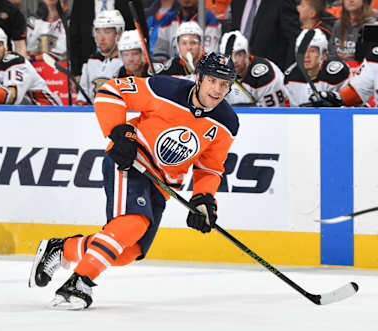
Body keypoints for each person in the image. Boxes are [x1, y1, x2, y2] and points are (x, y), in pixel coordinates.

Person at [28, 52, 239, 310]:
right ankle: (78, 282)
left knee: (131, 251)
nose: (217, 89)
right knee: (132, 223)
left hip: (161, 184)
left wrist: (204, 200)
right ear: (199, 78)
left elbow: (210, 167)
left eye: (224, 84)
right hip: (130, 161)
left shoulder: (227, 122)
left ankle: (64, 249)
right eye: (212, 81)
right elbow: (111, 91)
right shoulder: (165, 88)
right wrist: (120, 132)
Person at [219, 30, 287, 107]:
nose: (234, 60)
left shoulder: (266, 74)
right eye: (229, 56)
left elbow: (273, 114)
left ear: (247, 53)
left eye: (239, 54)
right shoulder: (218, 73)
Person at [284, 28, 350, 107]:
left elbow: (352, 105)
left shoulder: (338, 73)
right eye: (302, 51)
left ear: (324, 54)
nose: (306, 56)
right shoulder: (290, 77)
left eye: (312, 51)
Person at [228, 0, 300, 71]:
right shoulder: (237, 2)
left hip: (270, 75)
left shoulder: (282, 2)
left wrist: (288, 74)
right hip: (237, 75)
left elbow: (294, 40)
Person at [76, 10, 124, 105]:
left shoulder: (126, 64)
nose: (101, 38)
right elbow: (82, 97)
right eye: (98, 32)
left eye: (107, 32)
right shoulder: (90, 61)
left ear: (119, 34)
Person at [153, 0, 221, 62]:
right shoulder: (168, 20)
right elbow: (160, 54)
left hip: (199, 72)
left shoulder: (209, 19)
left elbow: (210, 55)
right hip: (173, 72)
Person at [328, 0, 376, 69]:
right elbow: (331, 52)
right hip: (339, 70)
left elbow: (371, 59)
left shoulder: (371, 26)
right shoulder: (338, 24)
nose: (351, 1)